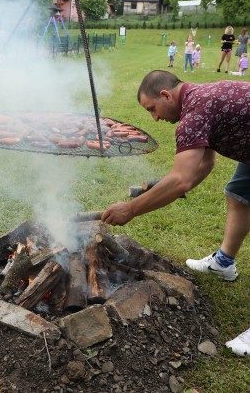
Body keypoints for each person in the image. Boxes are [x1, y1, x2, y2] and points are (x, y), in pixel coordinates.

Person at [101, 70, 249, 356]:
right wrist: (161, 190)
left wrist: (130, 209)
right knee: (239, 196)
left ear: (166, 95)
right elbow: (203, 166)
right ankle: (223, 263)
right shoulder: (200, 100)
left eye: (152, 109)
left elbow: (181, 179)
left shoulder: (194, 114)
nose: (155, 118)